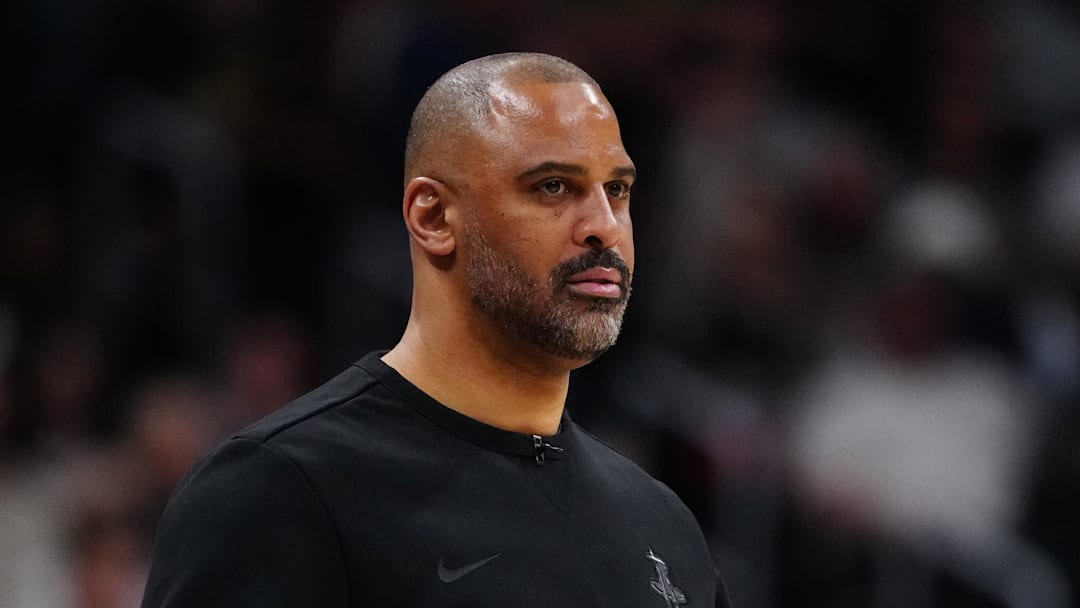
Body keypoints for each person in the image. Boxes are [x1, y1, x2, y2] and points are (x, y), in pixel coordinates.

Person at [141, 52, 730, 608]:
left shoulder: (664, 527)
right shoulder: (280, 490)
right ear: (433, 217)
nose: (604, 226)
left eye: (617, 190)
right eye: (554, 186)